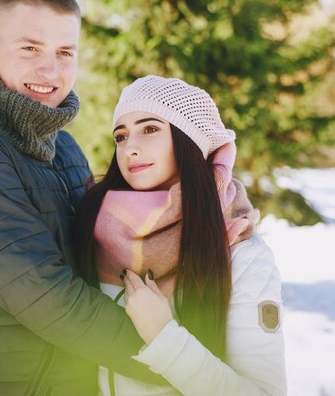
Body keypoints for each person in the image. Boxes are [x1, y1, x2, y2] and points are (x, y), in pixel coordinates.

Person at [0, 0, 165, 394]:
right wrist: (176, 358)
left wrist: (215, 198)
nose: (51, 70)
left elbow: (121, 229)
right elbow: (45, 296)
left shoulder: (62, 144)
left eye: (65, 52)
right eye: (30, 48)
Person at [73, 75, 287, 395]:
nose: (130, 147)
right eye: (121, 136)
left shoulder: (242, 256)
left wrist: (164, 337)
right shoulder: (93, 230)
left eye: (150, 129)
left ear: (190, 141)